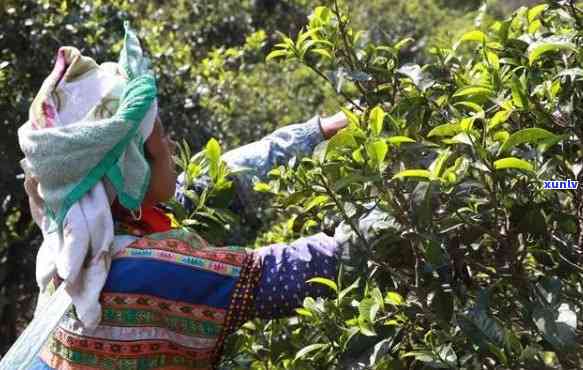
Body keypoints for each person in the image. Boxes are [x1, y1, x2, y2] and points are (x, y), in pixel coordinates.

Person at [20, 23, 393, 370]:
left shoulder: (81, 238)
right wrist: (407, 207)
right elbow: (295, 270)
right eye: (160, 134)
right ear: (133, 169)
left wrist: (321, 131)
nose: (171, 144)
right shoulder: (140, 271)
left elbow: (210, 180)